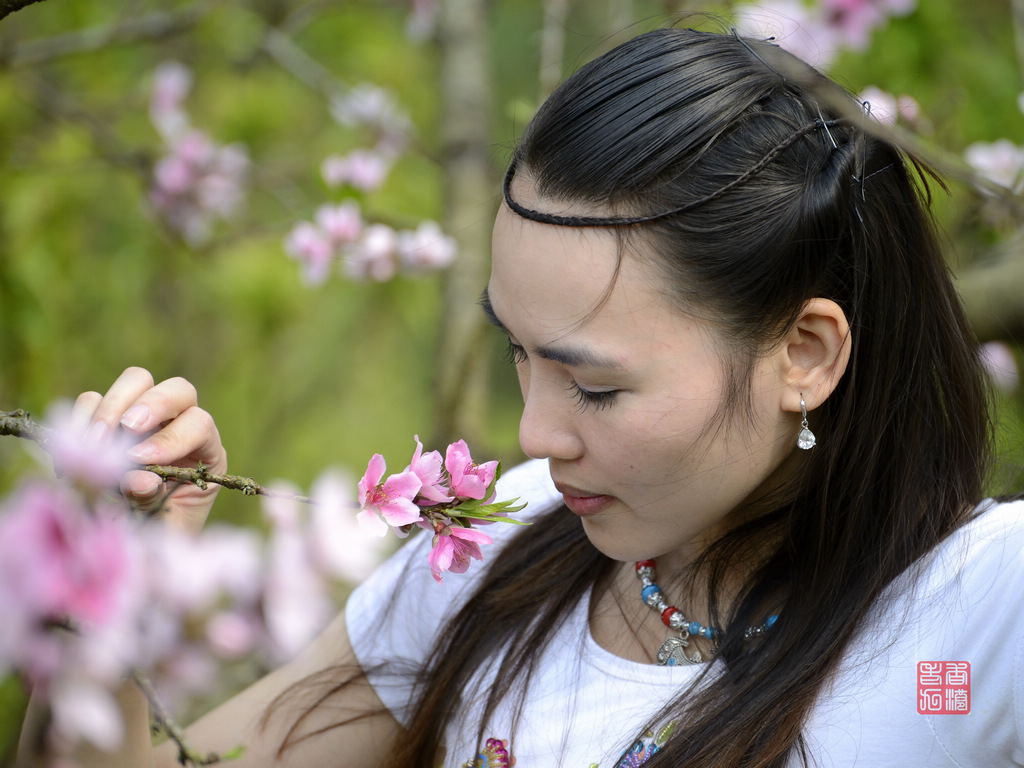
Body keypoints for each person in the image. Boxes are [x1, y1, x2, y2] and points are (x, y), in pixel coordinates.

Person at [19, 25, 1024, 768]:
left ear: (803, 352)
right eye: (519, 354)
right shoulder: (492, 563)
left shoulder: (980, 607)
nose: (536, 436)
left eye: (595, 385)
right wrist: (115, 584)